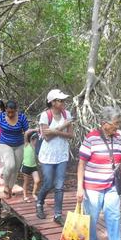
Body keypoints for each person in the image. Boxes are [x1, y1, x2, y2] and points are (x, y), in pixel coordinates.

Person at [76, 106, 121, 240]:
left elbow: (120, 161)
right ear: (104, 123)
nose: (118, 126)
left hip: (111, 185)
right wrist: (80, 188)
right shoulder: (91, 138)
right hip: (92, 185)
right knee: (93, 217)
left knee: (114, 216)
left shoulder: (118, 139)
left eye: (119, 122)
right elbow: (81, 164)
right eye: (115, 123)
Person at [36, 89, 74, 225]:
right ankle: (39, 202)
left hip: (62, 154)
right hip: (47, 155)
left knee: (59, 186)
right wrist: (62, 126)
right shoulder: (45, 115)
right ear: (52, 102)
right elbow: (46, 137)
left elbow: (71, 135)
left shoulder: (67, 114)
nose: (63, 102)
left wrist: (54, 130)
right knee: (48, 182)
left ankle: (58, 214)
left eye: (63, 100)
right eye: (60, 100)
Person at [0, 100, 29, 198]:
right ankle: (5, 186)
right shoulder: (0, 117)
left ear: (16, 110)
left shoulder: (22, 117)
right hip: (4, 143)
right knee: (10, 166)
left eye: (12, 112)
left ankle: (10, 188)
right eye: (8, 112)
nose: (10, 114)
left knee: (16, 168)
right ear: (6, 110)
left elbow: (27, 131)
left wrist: (29, 142)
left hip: (19, 144)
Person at [21, 130, 41, 202]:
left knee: (37, 180)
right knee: (26, 182)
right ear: (32, 139)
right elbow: (26, 133)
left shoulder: (35, 147)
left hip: (33, 166)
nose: (36, 141)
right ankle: (25, 196)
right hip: (26, 166)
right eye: (35, 140)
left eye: (37, 140)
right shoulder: (27, 144)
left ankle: (33, 194)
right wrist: (35, 129)